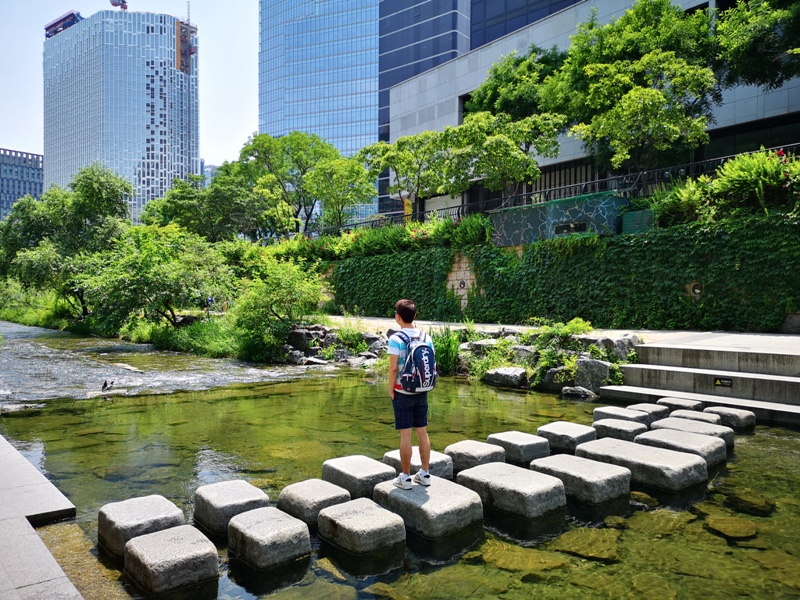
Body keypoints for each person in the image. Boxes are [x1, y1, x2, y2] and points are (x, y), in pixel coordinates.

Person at [387, 298, 434, 489]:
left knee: (405, 434)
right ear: (415, 315)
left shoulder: (396, 339)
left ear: (398, 317)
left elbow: (392, 369)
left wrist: (391, 390)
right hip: (422, 389)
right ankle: (425, 473)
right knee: (422, 431)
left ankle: (405, 478)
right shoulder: (426, 338)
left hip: (402, 391)